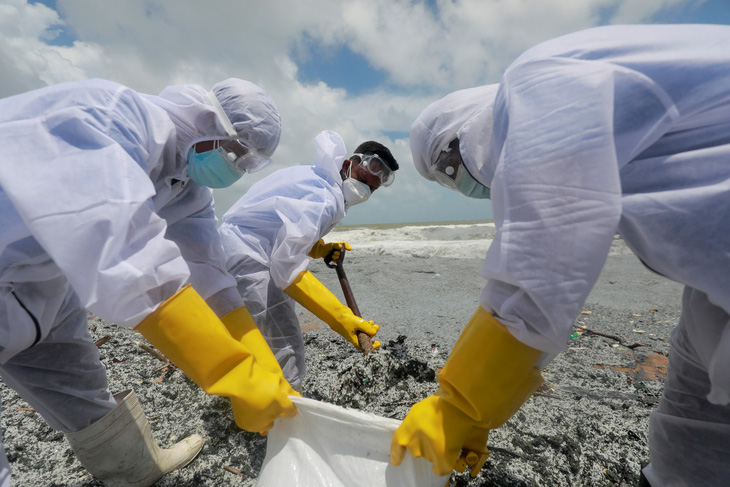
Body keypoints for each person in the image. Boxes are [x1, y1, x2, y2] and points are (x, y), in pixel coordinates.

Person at [391, 24, 730, 486]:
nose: (464, 182)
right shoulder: (594, 135)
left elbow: (541, 270)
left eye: (452, 165)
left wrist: (458, 403)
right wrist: (479, 415)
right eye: (450, 181)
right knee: (691, 425)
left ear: (471, 126)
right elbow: (550, 294)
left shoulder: (538, 82)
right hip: (714, 278)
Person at [0, 77, 298, 487]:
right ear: (207, 119)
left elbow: (207, 268)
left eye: (248, 162)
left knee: (76, 381)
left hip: (42, 283)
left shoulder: (186, 184)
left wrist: (258, 355)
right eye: (236, 150)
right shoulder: (114, 118)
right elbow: (126, 254)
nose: (236, 166)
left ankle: (135, 469)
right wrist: (235, 372)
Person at [218, 130, 398, 390]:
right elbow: (287, 269)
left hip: (239, 248)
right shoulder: (324, 197)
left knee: (256, 336)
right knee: (286, 342)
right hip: (249, 256)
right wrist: (341, 319)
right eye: (363, 177)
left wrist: (320, 249)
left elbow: (283, 228)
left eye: (371, 188)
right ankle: (286, 413)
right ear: (348, 164)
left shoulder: (318, 180)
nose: (365, 189)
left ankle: (253, 397)